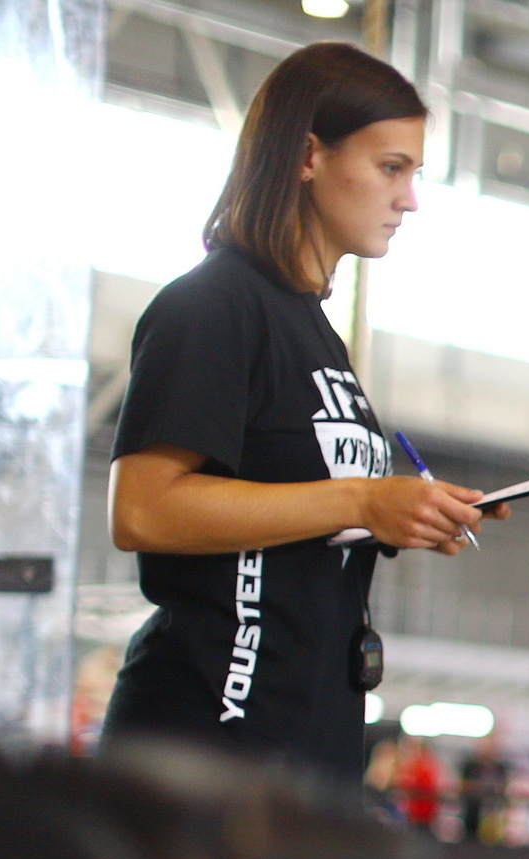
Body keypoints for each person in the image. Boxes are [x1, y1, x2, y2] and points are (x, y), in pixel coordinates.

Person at [104, 44, 501, 781]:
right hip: (208, 741)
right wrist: (360, 498)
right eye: (391, 167)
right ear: (308, 156)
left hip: (306, 745)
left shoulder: (316, 335)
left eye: (413, 172)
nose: (409, 199)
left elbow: (302, 510)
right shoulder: (214, 306)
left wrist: (410, 511)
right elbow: (143, 509)